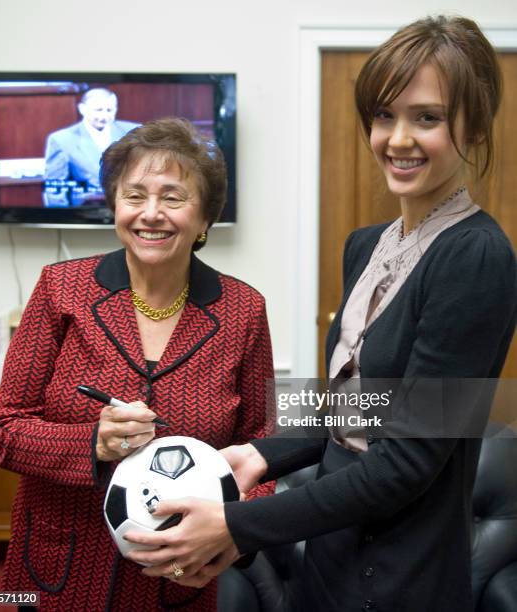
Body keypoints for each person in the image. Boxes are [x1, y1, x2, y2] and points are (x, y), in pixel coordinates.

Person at [120, 16, 517, 612]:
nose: (397, 138)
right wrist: (260, 453)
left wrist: (237, 524)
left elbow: (407, 461)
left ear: (475, 124)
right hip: (331, 555)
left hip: (402, 575)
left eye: (427, 117)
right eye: (384, 116)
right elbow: (356, 400)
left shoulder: (477, 256)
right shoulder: (367, 245)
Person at [0, 118, 274, 612]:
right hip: (57, 570)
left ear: (205, 218)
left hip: (179, 576)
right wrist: (91, 443)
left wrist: (236, 529)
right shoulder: (61, 290)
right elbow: (4, 432)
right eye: (134, 195)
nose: (151, 214)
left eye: (173, 197)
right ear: (115, 206)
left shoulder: (243, 310)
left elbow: (263, 445)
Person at [43, 87, 139, 206]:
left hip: (129, 210)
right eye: (98, 110)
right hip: (85, 214)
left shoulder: (134, 132)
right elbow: (55, 189)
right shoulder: (61, 140)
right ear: (82, 109)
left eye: (109, 110)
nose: (104, 116)